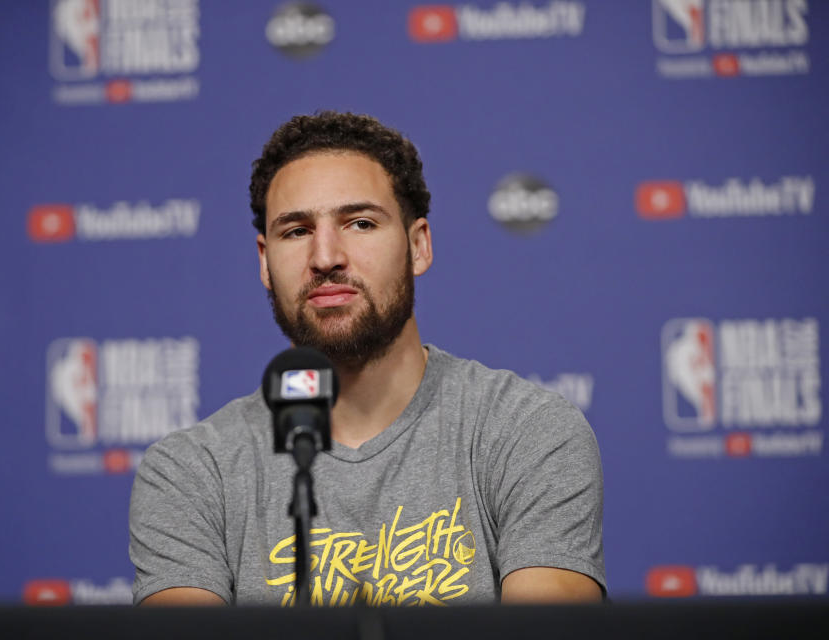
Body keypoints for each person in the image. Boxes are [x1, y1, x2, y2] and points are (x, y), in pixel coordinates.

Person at [129, 112, 605, 606]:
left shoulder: (527, 432)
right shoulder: (190, 471)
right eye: (296, 231)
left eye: (360, 223)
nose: (326, 256)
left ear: (418, 246)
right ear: (264, 262)